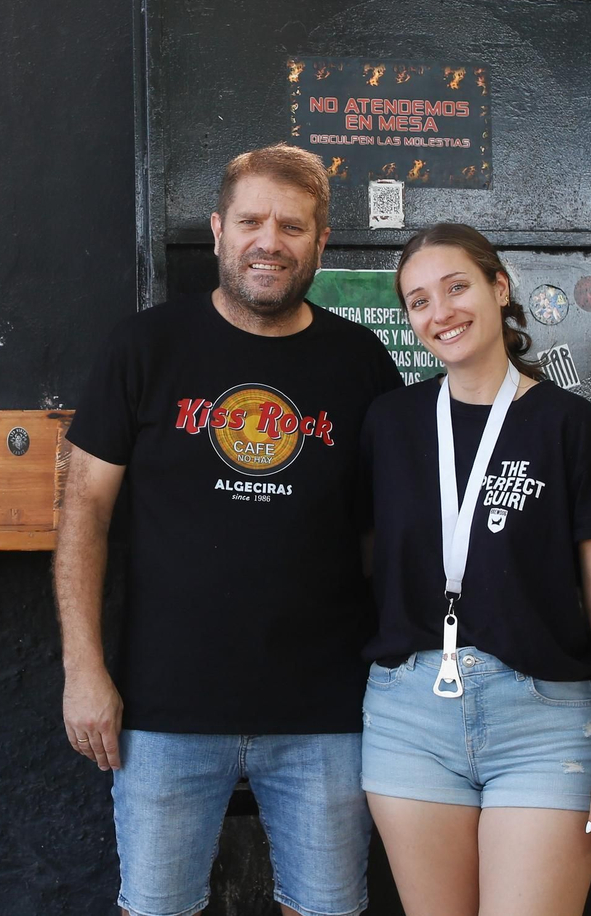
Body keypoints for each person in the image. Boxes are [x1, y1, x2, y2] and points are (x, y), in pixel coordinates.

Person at [54, 143, 403, 916]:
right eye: (251, 220)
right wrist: (85, 670)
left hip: (327, 713)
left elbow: (387, 538)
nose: (268, 241)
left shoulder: (361, 361)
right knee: (157, 908)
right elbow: (84, 511)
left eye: (291, 225)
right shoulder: (145, 348)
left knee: (328, 909)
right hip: (164, 709)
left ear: (321, 243)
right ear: (217, 231)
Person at [359, 223, 591, 916]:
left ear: (498, 287)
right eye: (419, 301)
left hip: (542, 719)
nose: (441, 313)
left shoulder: (568, 424)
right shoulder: (391, 423)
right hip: (408, 715)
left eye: (457, 287)